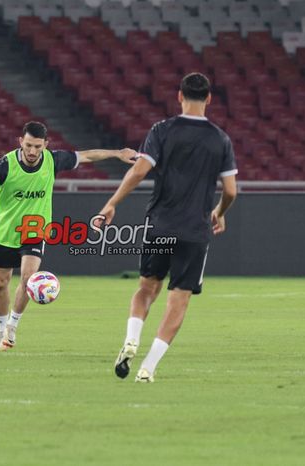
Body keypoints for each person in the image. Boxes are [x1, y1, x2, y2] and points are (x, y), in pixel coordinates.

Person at [99, 72, 238, 383]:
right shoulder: (220, 139)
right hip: (194, 231)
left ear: (179, 96)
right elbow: (230, 191)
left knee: (146, 288)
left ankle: (130, 340)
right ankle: (148, 366)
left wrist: (112, 203)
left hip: (160, 225)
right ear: (210, 99)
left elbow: (139, 171)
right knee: (180, 297)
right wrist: (219, 211)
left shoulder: (162, 130)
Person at [0, 121, 136, 352]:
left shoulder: (53, 159)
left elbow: (87, 156)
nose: (32, 151)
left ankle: (11, 329)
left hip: (35, 231)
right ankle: (0, 329)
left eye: (37, 146)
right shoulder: (5, 165)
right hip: (5, 232)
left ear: (45, 145)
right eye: (28, 145)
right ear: (20, 142)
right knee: (0, 283)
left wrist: (118, 154)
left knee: (28, 279)